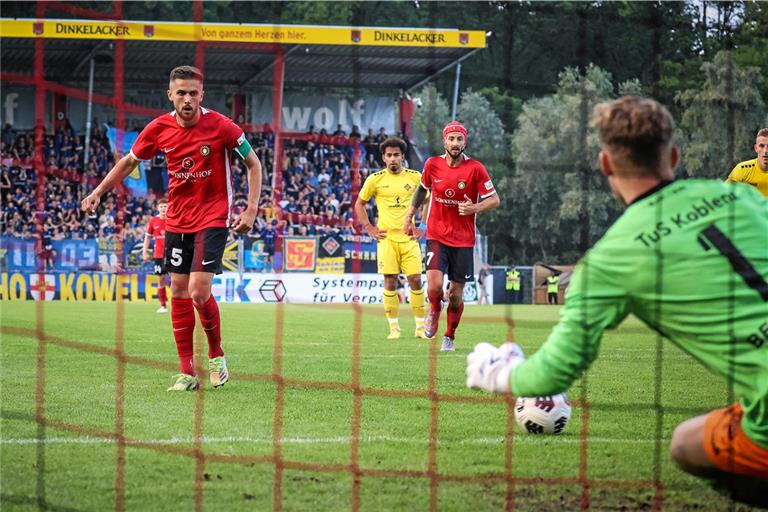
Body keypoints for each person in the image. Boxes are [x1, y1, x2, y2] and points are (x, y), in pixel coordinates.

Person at [466, 97, 768, 494]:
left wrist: (499, 372)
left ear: (605, 164)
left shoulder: (610, 258)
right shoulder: (744, 196)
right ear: (673, 156)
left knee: (684, 445)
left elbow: (554, 373)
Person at [82, 65, 263, 392]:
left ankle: (216, 353)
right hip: (177, 219)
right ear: (171, 95)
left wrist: (251, 208)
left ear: (202, 95)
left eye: (193, 93)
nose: (188, 99)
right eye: (181, 93)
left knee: (197, 291)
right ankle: (186, 372)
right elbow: (128, 162)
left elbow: (253, 163)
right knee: (178, 290)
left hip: (213, 215)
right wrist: (98, 192)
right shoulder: (158, 128)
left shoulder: (223, 127)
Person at [404, 121, 500, 351]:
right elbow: (421, 190)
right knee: (435, 286)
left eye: (459, 139)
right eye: (451, 139)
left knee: (456, 296)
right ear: (444, 141)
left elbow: (495, 200)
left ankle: (449, 337)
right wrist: (410, 215)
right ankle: (434, 309)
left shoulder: (476, 168)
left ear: (464, 142)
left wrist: (474, 208)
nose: (455, 143)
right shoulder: (432, 164)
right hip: (437, 234)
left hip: (464, 240)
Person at [354, 137, 428, 339]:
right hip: (386, 238)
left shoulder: (415, 177)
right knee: (390, 281)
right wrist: (369, 227)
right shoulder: (374, 179)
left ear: (403, 157)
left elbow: (429, 200)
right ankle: (394, 328)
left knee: (415, 279)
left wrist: (422, 226)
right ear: (384, 158)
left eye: (397, 155)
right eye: (389, 155)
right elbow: (359, 204)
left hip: (409, 238)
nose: (393, 158)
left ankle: (420, 327)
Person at [143, 198, 169, 313]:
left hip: (173, 254)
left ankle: (179, 304)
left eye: (165, 206)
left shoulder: (172, 219)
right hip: (158, 255)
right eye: (161, 206)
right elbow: (147, 237)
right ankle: (163, 305)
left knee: (176, 280)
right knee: (161, 279)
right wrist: (144, 251)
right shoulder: (153, 221)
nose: (163, 208)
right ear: (158, 208)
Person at [725, 128, 768, 197]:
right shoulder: (742, 169)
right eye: (761, 146)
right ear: (756, 148)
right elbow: (722, 194)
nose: (766, 151)